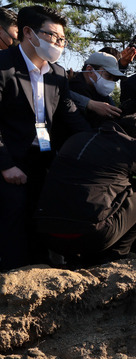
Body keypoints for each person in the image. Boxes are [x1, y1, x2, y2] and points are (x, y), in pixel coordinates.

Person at [34, 115, 136, 264]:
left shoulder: (77, 138)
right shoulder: (129, 147)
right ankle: (115, 256)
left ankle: (76, 258)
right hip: (88, 236)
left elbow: (96, 183)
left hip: (49, 235)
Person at [0, 5, 91, 271]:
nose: (58, 44)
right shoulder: (3, 67)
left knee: (41, 225)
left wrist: (101, 142)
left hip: (43, 161)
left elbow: (71, 117)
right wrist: (5, 165)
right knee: (12, 230)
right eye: (52, 36)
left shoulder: (58, 74)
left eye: (62, 39)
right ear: (28, 33)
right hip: (8, 164)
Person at [69, 52, 126, 128]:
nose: (111, 82)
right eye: (108, 76)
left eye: (114, 79)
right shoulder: (75, 88)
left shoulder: (99, 92)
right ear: (90, 70)